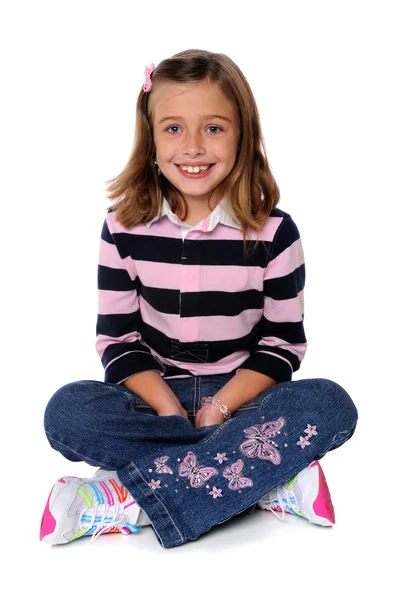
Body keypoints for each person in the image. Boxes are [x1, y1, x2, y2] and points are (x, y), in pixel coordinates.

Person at [40, 49, 358, 548]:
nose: (192, 147)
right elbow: (118, 339)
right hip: (152, 399)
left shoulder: (274, 232)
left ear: (241, 135)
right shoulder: (123, 227)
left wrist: (221, 410)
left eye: (213, 128)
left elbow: (282, 345)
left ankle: (126, 498)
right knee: (68, 412)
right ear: (150, 139)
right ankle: (260, 480)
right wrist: (168, 410)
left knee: (331, 404)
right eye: (173, 129)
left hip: (242, 399)